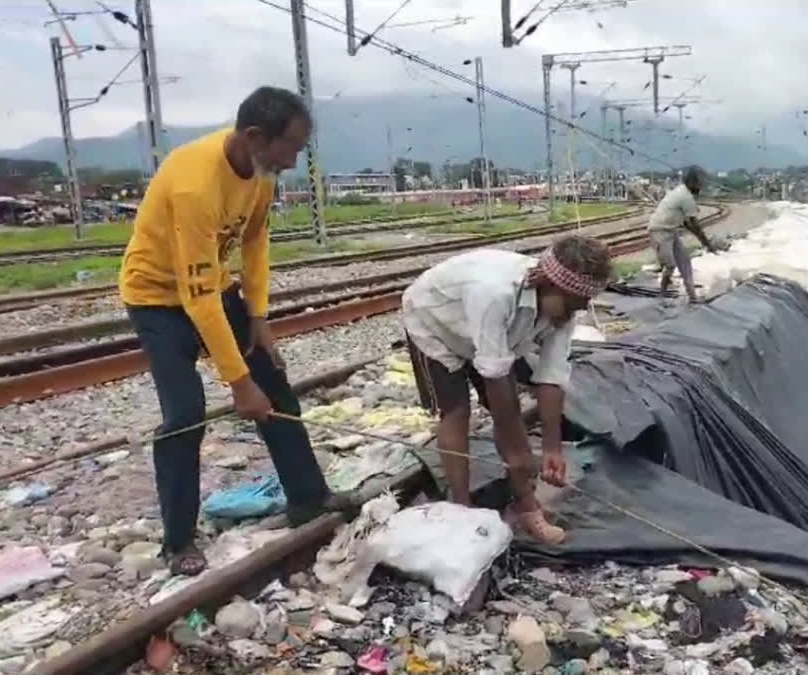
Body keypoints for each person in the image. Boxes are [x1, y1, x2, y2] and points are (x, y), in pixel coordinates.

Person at [119, 86, 355, 577]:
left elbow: (255, 242)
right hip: (156, 300)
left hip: (209, 287)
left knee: (276, 386)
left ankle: (308, 498)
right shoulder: (194, 184)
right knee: (185, 414)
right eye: (289, 147)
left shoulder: (261, 175)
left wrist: (259, 318)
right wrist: (238, 384)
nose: (293, 160)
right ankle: (178, 540)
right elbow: (196, 299)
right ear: (253, 136)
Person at [401, 235, 612, 544]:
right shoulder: (495, 294)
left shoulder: (563, 307)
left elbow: (551, 376)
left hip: (486, 331)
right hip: (435, 322)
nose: (580, 310)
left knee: (510, 418)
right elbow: (497, 382)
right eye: (575, 303)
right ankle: (462, 510)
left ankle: (527, 507)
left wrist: (552, 448)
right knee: (457, 411)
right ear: (552, 285)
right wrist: (520, 450)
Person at [647, 165, 719, 303]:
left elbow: (687, 223)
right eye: (701, 182)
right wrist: (707, 243)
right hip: (659, 231)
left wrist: (704, 241)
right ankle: (661, 296)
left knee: (685, 263)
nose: (702, 186)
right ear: (694, 182)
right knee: (670, 265)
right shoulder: (685, 197)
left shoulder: (682, 192)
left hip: (671, 231)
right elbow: (694, 225)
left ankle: (692, 297)